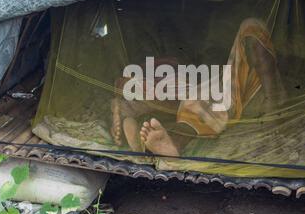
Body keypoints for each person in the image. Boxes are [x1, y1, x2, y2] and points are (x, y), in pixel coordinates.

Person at [111, 18, 285, 156]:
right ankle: (138, 124)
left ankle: (161, 140)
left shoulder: (247, 66)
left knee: (202, 102)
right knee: (187, 98)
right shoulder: (186, 71)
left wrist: (272, 104)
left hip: (235, 94)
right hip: (209, 93)